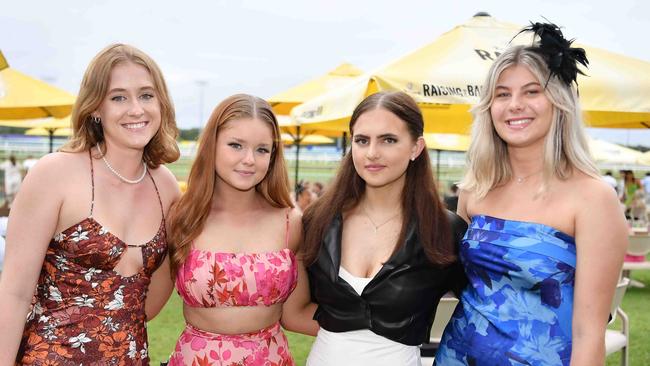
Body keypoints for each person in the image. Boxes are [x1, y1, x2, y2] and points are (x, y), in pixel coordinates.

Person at [435, 23, 628, 366]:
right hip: (455, 357)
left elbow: (588, 335)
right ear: (488, 107)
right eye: (502, 93)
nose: (515, 105)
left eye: (532, 91)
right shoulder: (475, 189)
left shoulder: (592, 198)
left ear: (559, 102)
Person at [0, 43, 181, 364]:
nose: (136, 109)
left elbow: (154, 294)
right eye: (118, 97)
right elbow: (13, 293)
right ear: (96, 107)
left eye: (146, 95)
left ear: (161, 102)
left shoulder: (165, 185)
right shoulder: (54, 173)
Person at [295, 91, 467, 366]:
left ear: (416, 148)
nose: (372, 153)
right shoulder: (319, 219)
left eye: (388, 140)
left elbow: (480, 312)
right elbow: (293, 312)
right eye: (362, 141)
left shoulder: (445, 231)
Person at [167, 94, 317, 365]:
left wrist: (375, 326)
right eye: (236, 145)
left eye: (262, 149)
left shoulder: (289, 221)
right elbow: (143, 302)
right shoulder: (182, 217)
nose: (249, 159)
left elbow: (295, 315)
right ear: (212, 146)